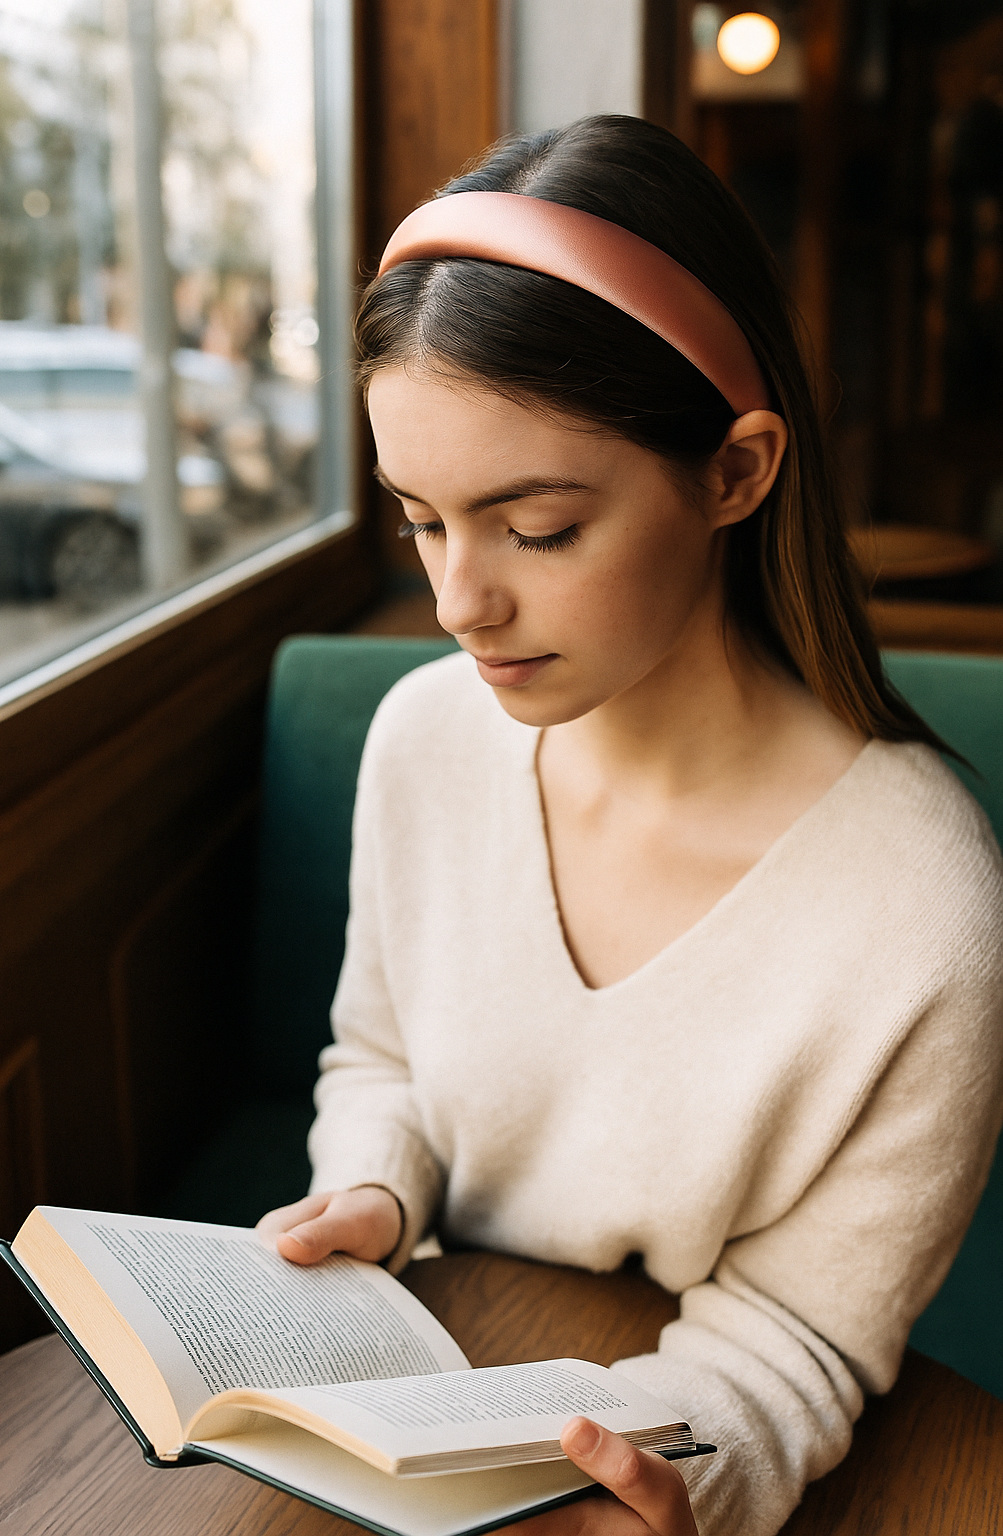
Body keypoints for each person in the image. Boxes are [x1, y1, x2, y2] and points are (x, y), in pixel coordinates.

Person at [257, 116, 1003, 1535]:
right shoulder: (424, 741)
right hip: (414, 1388)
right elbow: (386, 1057)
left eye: (535, 528)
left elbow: (800, 1337)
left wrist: (673, 1485)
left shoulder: (922, 905)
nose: (460, 601)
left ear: (735, 472)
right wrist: (371, 1184)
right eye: (422, 520)